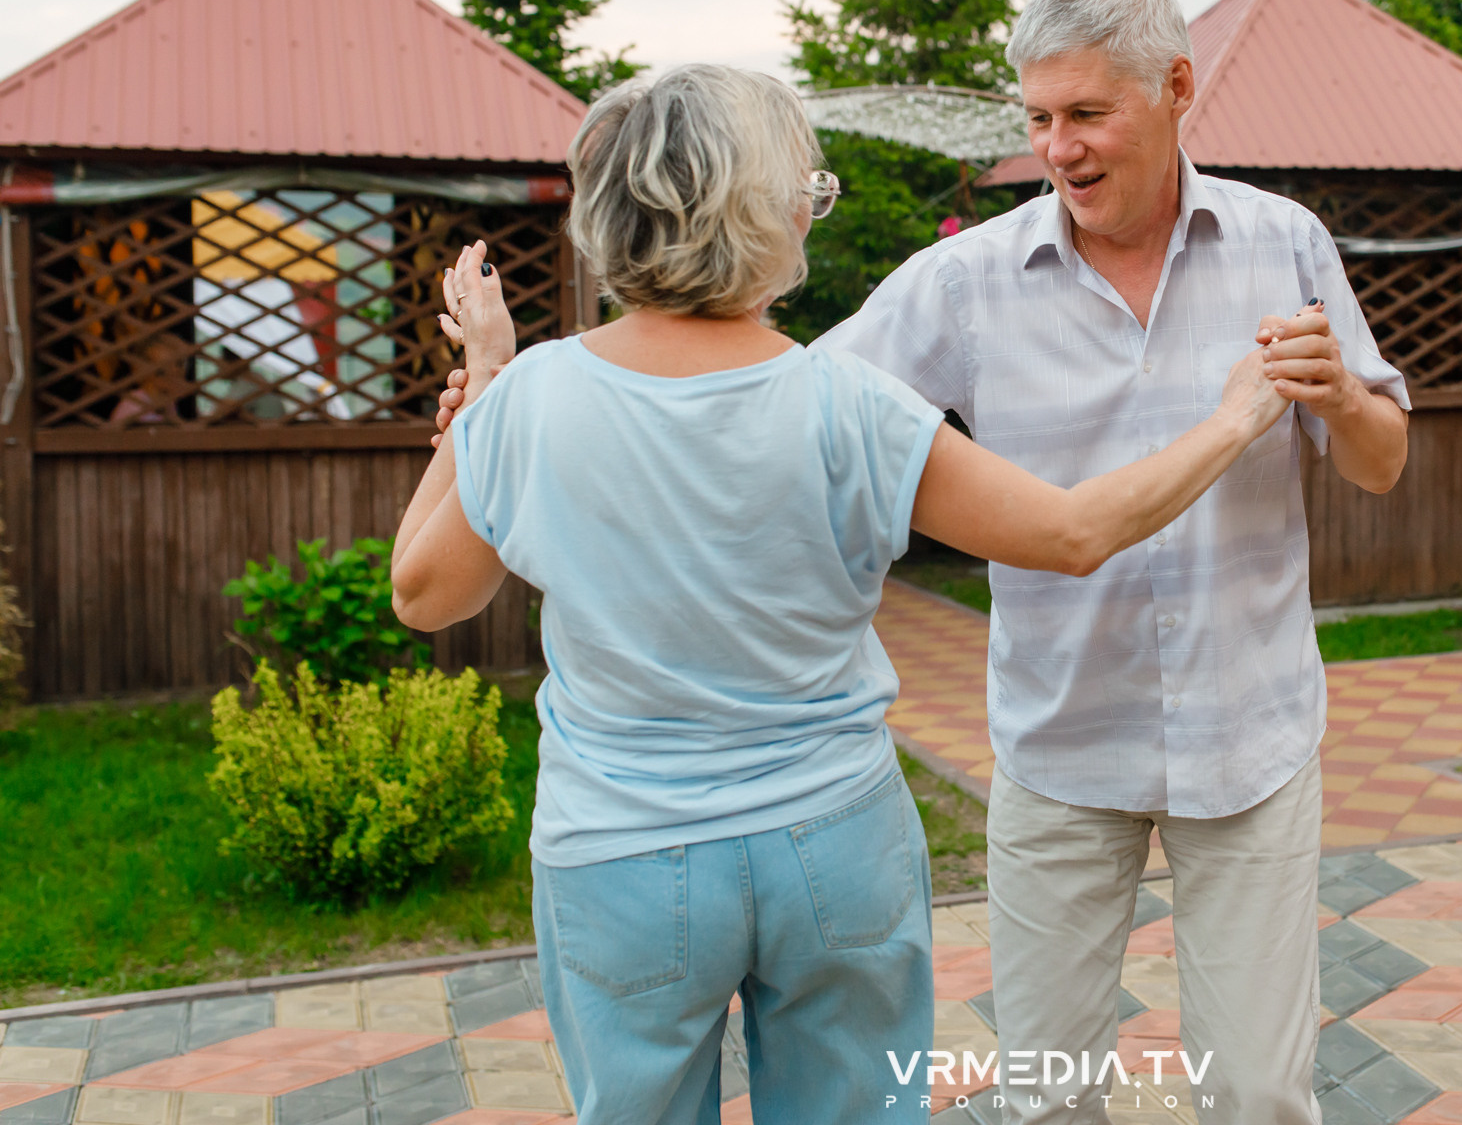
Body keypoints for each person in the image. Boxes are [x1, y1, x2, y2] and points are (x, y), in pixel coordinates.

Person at [391, 63, 1291, 1125]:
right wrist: (1236, 417)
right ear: (759, 215)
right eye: (806, 193)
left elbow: (424, 591)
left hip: (623, 856)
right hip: (835, 847)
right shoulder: (847, 401)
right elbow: (1072, 531)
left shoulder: (535, 397)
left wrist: (487, 382)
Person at [823, 0, 1410, 1124]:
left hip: (1252, 742)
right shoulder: (965, 282)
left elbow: (1383, 461)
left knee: (1257, 1093)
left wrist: (1340, 398)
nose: (1059, 146)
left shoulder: (1282, 242)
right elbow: (801, 410)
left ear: (1177, 86)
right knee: (1045, 1100)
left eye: (1089, 113)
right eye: (1039, 117)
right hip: (1059, 751)